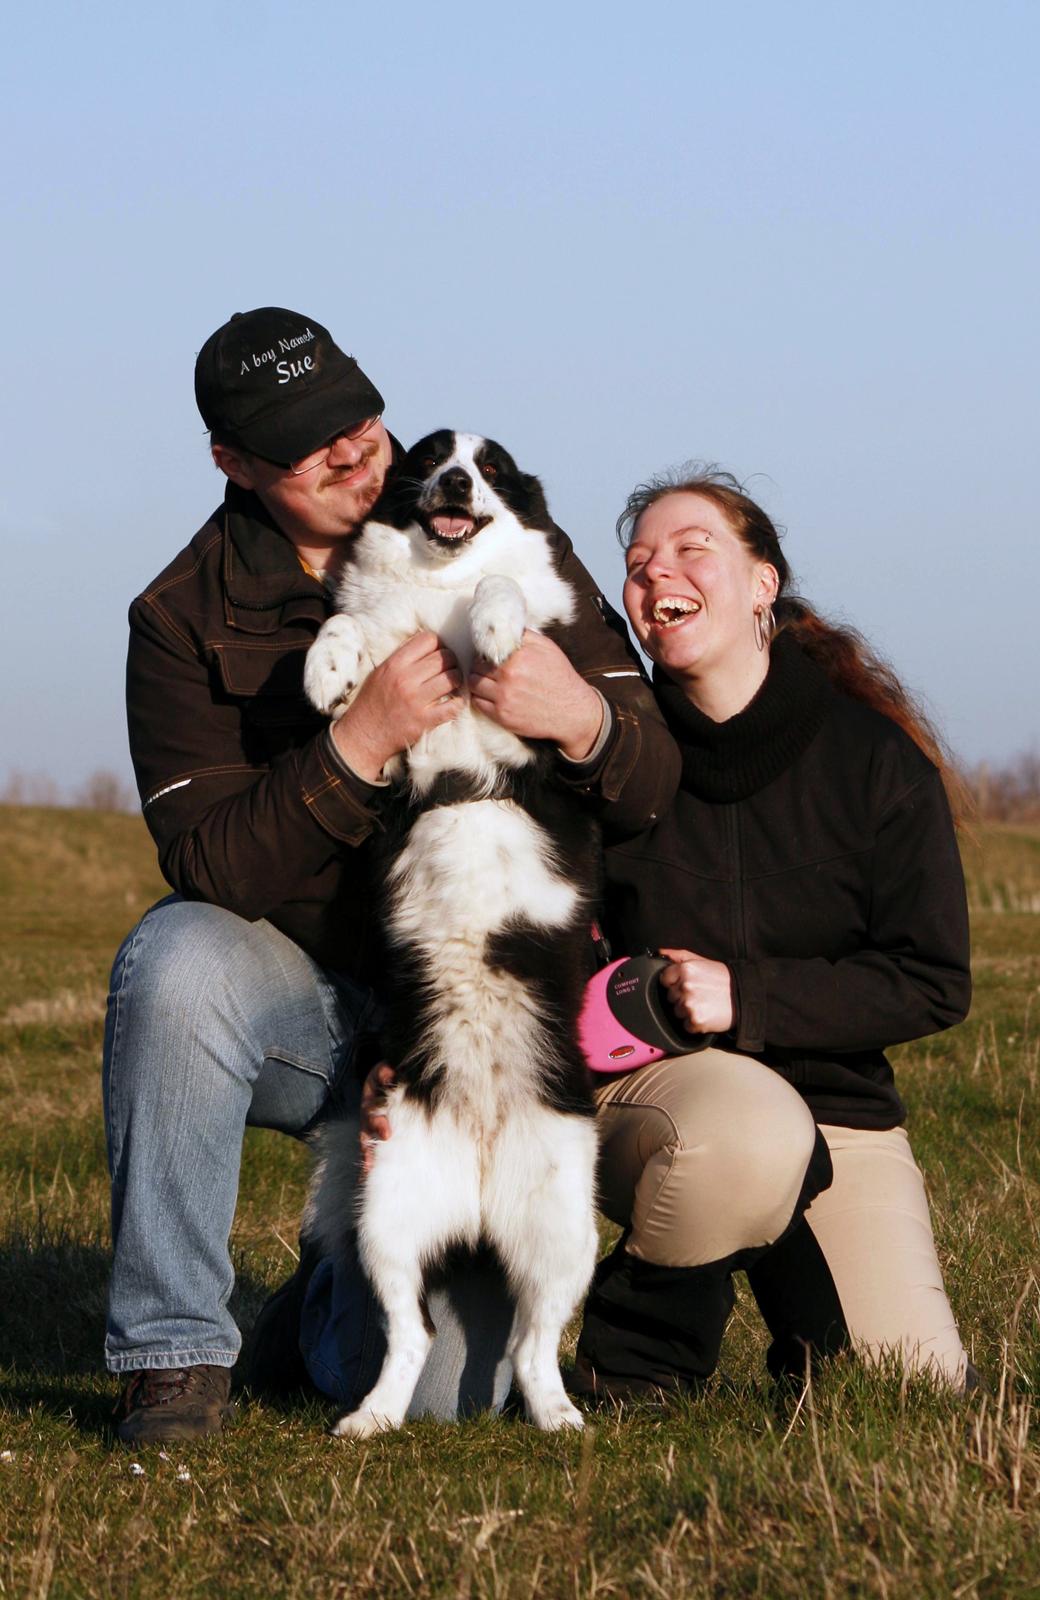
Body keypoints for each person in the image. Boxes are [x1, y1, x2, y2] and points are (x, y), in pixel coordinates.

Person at [104, 305, 683, 1443]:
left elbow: (651, 775)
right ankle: (172, 1354)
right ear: (232, 462)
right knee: (172, 960)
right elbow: (211, 860)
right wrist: (355, 744)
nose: (357, 454)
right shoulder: (177, 616)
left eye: (361, 418)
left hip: (488, 1000)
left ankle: (316, 1299)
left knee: (442, 1397)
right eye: (309, 443)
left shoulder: (495, 524)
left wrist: (582, 721)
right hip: (318, 993)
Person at [568, 465, 972, 1399]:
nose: (657, 571)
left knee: (911, 1388)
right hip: (656, 1109)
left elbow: (932, 980)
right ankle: (635, 1370)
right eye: (637, 562)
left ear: (763, 585)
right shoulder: (608, 762)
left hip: (841, 1113)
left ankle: (810, 1334)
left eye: (691, 548)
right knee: (744, 1132)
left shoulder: (875, 763)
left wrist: (748, 996)